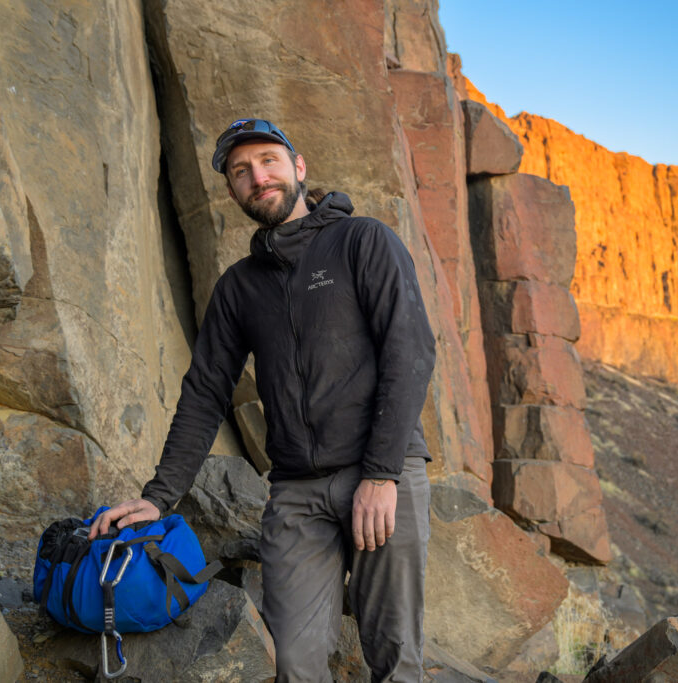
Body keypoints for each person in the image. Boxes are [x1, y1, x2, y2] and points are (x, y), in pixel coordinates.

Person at [90, 117, 436, 682]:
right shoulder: (239, 287)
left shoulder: (362, 240)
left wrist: (381, 474)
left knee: (395, 658)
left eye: (268, 161)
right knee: (295, 666)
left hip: (382, 475)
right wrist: (160, 498)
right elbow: (205, 392)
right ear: (232, 191)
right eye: (241, 171)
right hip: (297, 494)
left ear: (298, 168)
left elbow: (411, 350)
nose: (258, 176)